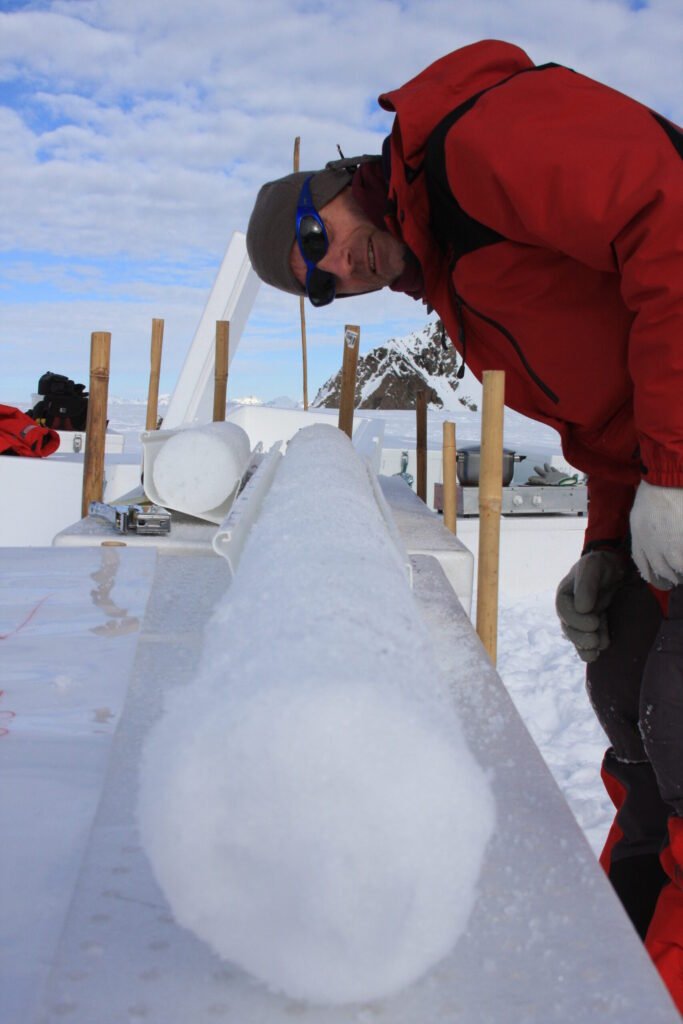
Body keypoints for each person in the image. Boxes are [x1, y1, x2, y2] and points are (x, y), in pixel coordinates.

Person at [246, 38, 683, 1008]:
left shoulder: (476, 140)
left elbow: (669, 214)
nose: (334, 271)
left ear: (332, 186)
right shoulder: (454, 287)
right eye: (315, 286)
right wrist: (610, 537)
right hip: (657, 468)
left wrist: (674, 471)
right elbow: (596, 413)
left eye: (313, 241)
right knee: (629, 693)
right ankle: (620, 979)